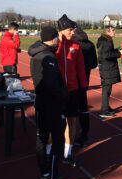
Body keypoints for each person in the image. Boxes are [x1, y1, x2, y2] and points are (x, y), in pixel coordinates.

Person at [28, 26, 73, 179]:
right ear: (54, 38)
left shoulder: (36, 54)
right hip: (52, 106)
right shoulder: (48, 57)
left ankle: (45, 173)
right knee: (57, 142)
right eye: (57, 38)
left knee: (41, 138)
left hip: (40, 103)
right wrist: (65, 96)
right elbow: (51, 84)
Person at [56, 14, 87, 166]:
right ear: (61, 30)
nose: (73, 33)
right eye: (70, 30)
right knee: (55, 123)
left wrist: (83, 87)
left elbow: (80, 69)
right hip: (57, 91)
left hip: (73, 89)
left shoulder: (75, 46)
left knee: (72, 121)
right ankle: (51, 151)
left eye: (73, 30)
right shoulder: (55, 45)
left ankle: (67, 153)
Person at [72, 27, 98, 147]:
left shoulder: (71, 43)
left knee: (69, 110)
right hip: (84, 80)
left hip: (71, 81)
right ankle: (84, 135)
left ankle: (68, 138)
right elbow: (94, 64)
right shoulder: (90, 44)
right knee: (83, 108)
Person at [97, 25, 122, 117]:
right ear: (107, 32)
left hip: (106, 67)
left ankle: (106, 107)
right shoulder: (106, 41)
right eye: (112, 30)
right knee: (106, 89)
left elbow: (108, 52)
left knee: (107, 89)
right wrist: (119, 53)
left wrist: (117, 50)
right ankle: (104, 111)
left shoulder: (104, 40)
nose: (114, 32)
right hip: (107, 68)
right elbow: (106, 55)